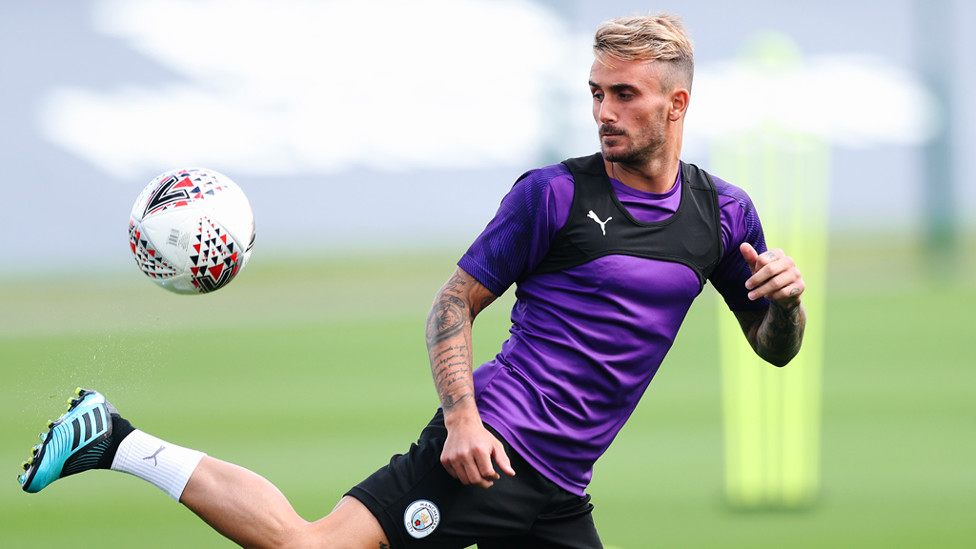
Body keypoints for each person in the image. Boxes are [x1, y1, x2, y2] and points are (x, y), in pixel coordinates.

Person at [18, 13, 806, 549]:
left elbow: (773, 350)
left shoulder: (723, 214)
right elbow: (452, 304)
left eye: (623, 94)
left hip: (559, 484)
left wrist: (785, 305)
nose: (603, 110)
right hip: (493, 451)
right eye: (596, 92)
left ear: (678, 104)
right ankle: (119, 440)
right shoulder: (555, 194)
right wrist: (463, 420)